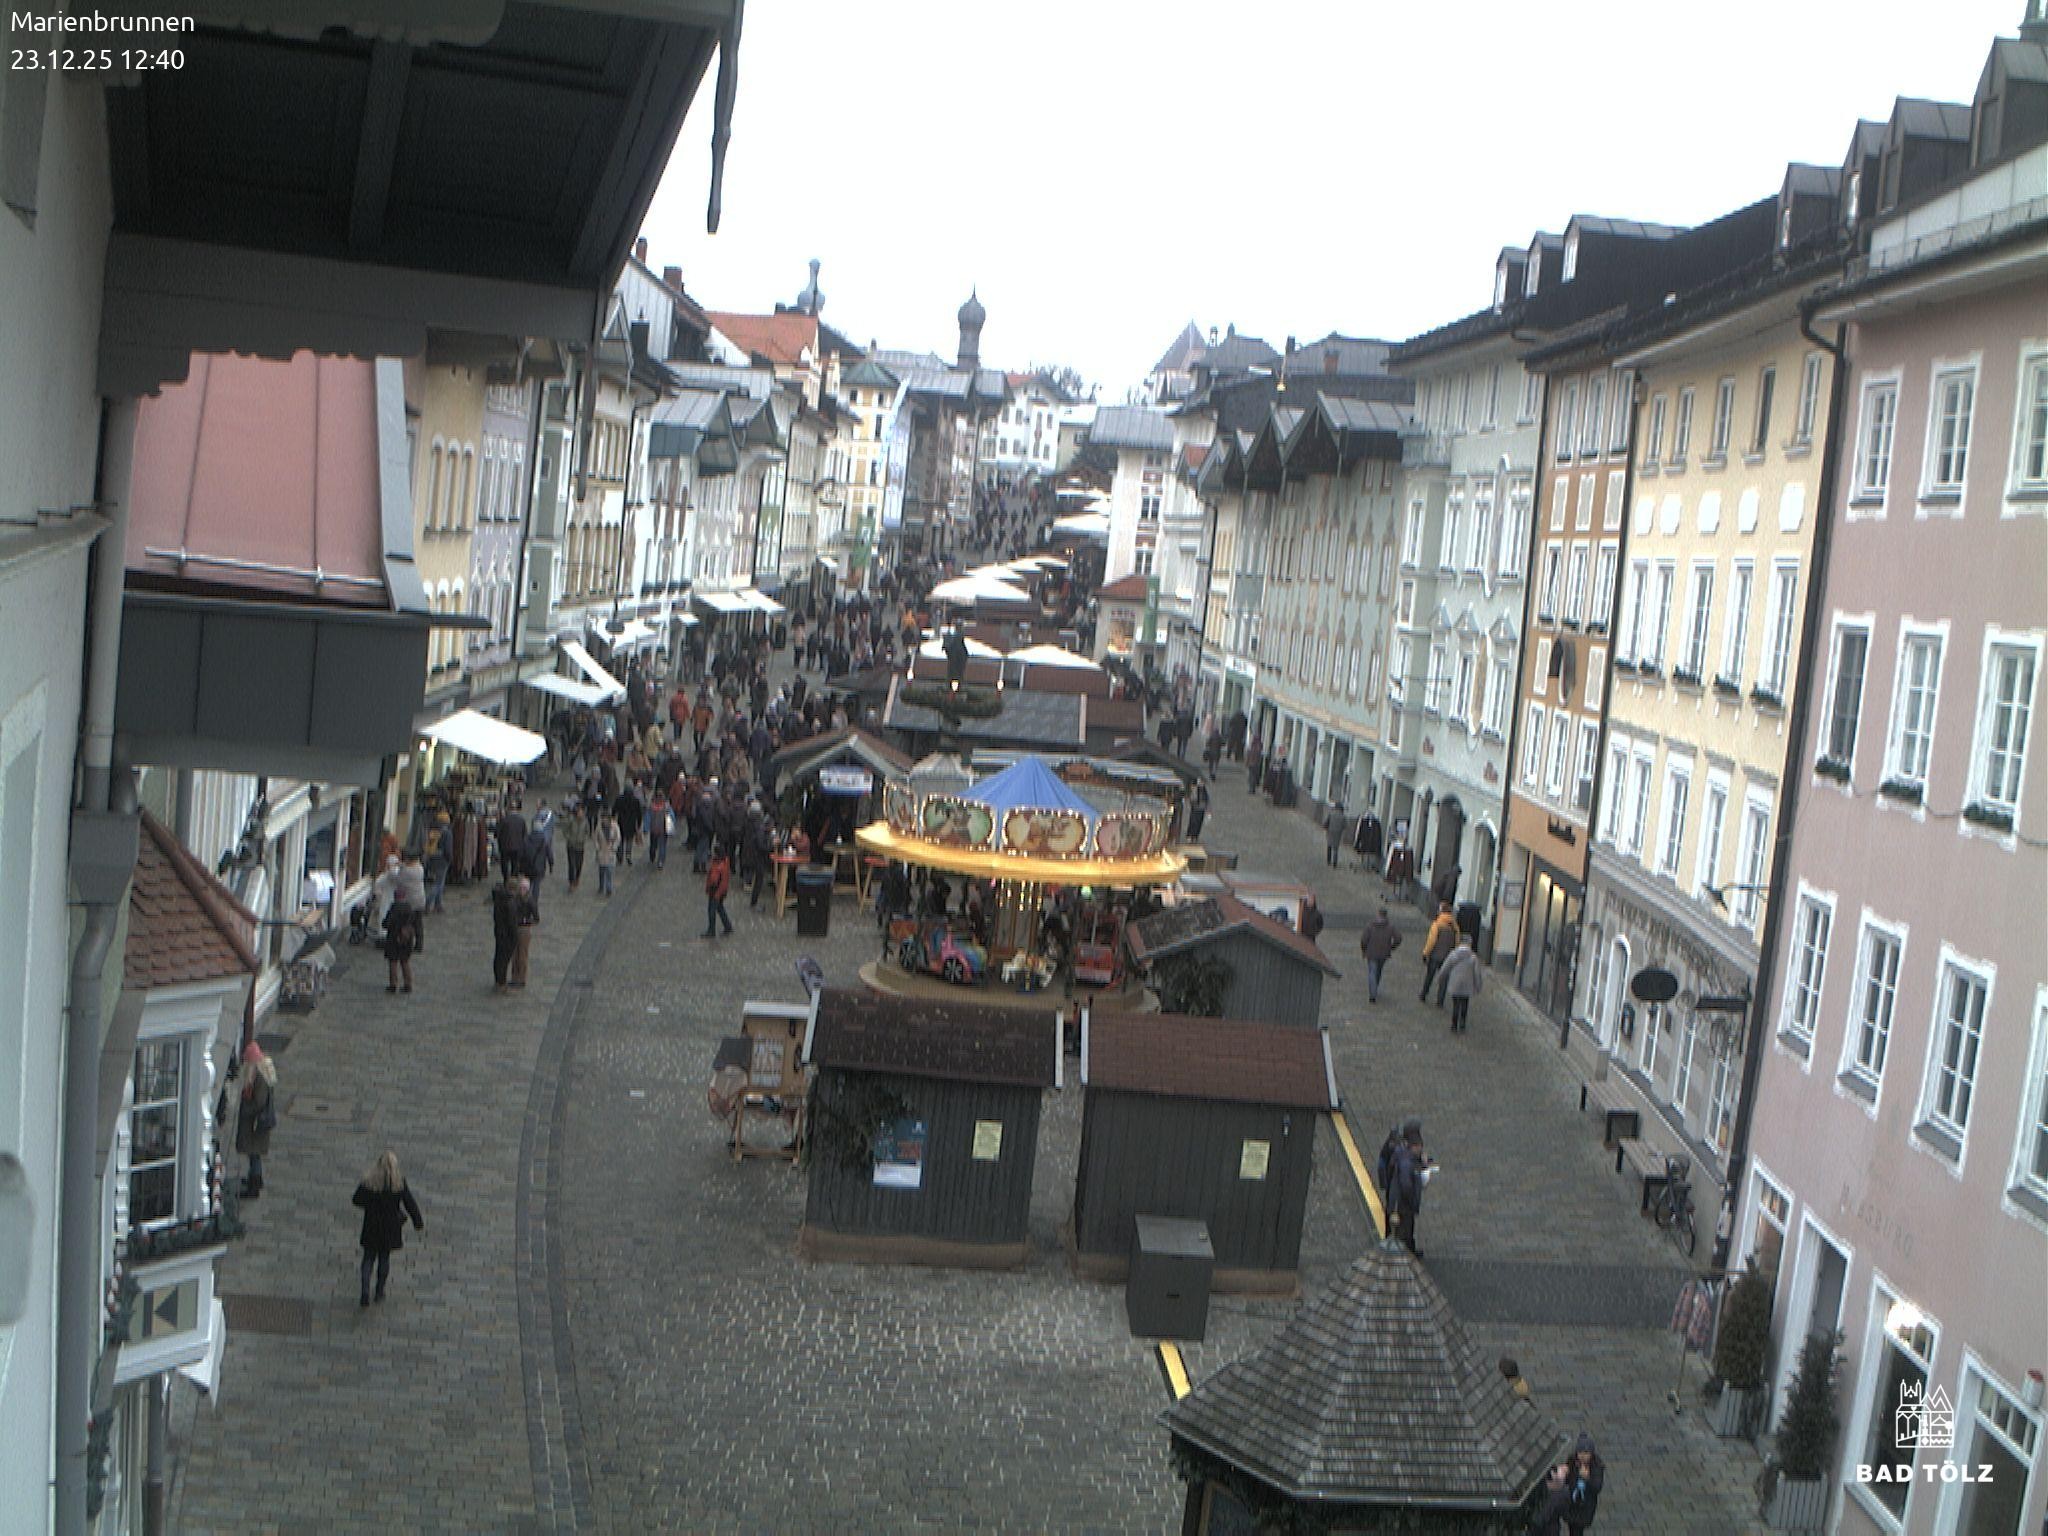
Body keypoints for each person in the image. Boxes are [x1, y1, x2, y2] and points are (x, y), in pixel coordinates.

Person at [352, 1150, 424, 1308]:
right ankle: (379, 1291)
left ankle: (364, 1290)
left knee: (368, 1258)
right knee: (384, 1258)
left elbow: (356, 1200)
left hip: (371, 1225)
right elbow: (409, 1203)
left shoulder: (370, 1181)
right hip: (390, 1227)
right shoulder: (399, 1182)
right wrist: (418, 1222)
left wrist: (370, 1205)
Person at [1530, 1435, 1604, 1535]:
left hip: (1583, 1506)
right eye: (1580, 1452)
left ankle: (1538, 1522)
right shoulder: (1573, 1461)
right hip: (1571, 1501)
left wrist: (1587, 1479)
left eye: (1586, 1453)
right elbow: (1566, 1478)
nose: (1582, 1456)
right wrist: (1561, 1472)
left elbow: (1597, 1487)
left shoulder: (1596, 1467)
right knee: (1555, 1501)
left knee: (1576, 1531)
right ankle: (1538, 1523)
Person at [235, 1041, 277, 1200]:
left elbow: (258, 1101)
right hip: (258, 1124)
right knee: (254, 1154)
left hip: (255, 1124)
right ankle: (255, 1179)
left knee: (254, 1154)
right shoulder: (263, 1072)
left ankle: (254, 1184)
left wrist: (246, 1110)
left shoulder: (258, 1076)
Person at [1388, 1120, 1431, 1256]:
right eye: (1419, 1147)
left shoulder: (1404, 1155)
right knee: (1403, 1230)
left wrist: (1423, 1164)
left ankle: (1409, 1251)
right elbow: (1406, 1184)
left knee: (1407, 1229)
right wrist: (1412, 1200)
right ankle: (1404, 1255)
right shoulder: (1407, 1162)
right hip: (1403, 1204)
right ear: (1414, 1146)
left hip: (1401, 1202)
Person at [1440, 934, 1482, 1033]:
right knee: (1464, 1003)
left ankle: (1454, 1025)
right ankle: (1462, 1023)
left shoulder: (1453, 954)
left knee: (1456, 1004)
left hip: (1455, 984)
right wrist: (1478, 986)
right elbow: (1477, 973)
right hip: (1467, 985)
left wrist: (1441, 978)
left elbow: (1445, 968)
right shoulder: (1473, 957)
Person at [1359, 908, 1402, 1003]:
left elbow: (1364, 939)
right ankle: (1375, 987)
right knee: (1378, 971)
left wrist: (1364, 949)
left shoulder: (1370, 926)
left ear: (1378, 914)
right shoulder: (1391, 927)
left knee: (1372, 972)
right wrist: (1392, 947)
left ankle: (1372, 994)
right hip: (1384, 953)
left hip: (1371, 952)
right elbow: (1398, 938)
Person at [1419, 902, 1459, 1003]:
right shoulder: (1454, 927)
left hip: (1435, 955)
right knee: (1444, 979)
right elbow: (1457, 942)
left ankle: (1424, 994)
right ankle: (1440, 999)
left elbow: (1431, 941)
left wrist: (1425, 953)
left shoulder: (1437, 924)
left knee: (1430, 976)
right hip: (1448, 956)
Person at [491, 876, 524, 992]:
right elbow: (512, 922)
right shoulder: (509, 902)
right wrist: (515, 936)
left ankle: (498, 980)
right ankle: (502, 982)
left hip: (499, 932)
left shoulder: (499, 899)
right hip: (507, 935)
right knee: (504, 959)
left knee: (499, 957)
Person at [382, 894, 418, 994]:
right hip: (407, 940)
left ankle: (393, 984)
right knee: (405, 962)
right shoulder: (410, 910)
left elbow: (386, 923)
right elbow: (416, 925)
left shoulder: (394, 909)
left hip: (393, 939)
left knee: (393, 962)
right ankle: (408, 984)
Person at [510, 875, 537, 988]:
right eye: (520, 888)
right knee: (515, 954)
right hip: (515, 928)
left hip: (524, 929)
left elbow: (536, 918)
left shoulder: (530, 900)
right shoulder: (516, 899)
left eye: (524, 888)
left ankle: (521, 978)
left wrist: (526, 920)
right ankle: (514, 977)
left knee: (522, 955)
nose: (522, 890)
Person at [703, 844, 734, 938]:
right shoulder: (722, 863)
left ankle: (711, 930)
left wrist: (717, 893)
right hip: (717, 891)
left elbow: (718, 880)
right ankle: (727, 926)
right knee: (719, 908)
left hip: (716, 891)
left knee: (712, 910)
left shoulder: (720, 865)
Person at [561, 799, 588, 890]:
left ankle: (577, 878)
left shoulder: (585, 821)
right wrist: (569, 838)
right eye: (579, 812)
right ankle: (571, 882)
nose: (581, 814)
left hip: (580, 846)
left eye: (582, 812)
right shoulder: (571, 820)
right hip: (571, 845)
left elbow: (587, 832)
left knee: (579, 864)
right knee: (572, 864)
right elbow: (565, 830)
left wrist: (583, 839)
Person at [593, 811, 620, 897]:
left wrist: (614, 847)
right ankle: (601, 886)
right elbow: (595, 838)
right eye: (602, 818)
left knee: (609, 871)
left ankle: (609, 888)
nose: (604, 820)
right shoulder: (599, 827)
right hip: (602, 851)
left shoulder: (614, 826)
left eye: (605, 818)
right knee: (601, 871)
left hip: (611, 851)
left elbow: (618, 838)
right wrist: (597, 847)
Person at [648, 796, 672, 872]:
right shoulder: (666, 807)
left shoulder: (652, 807)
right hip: (663, 829)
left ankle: (652, 855)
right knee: (662, 846)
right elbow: (671, 817)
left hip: (654, 829)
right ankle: (660, 861)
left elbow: (648, 818)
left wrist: (646, 828)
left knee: (653, 844)